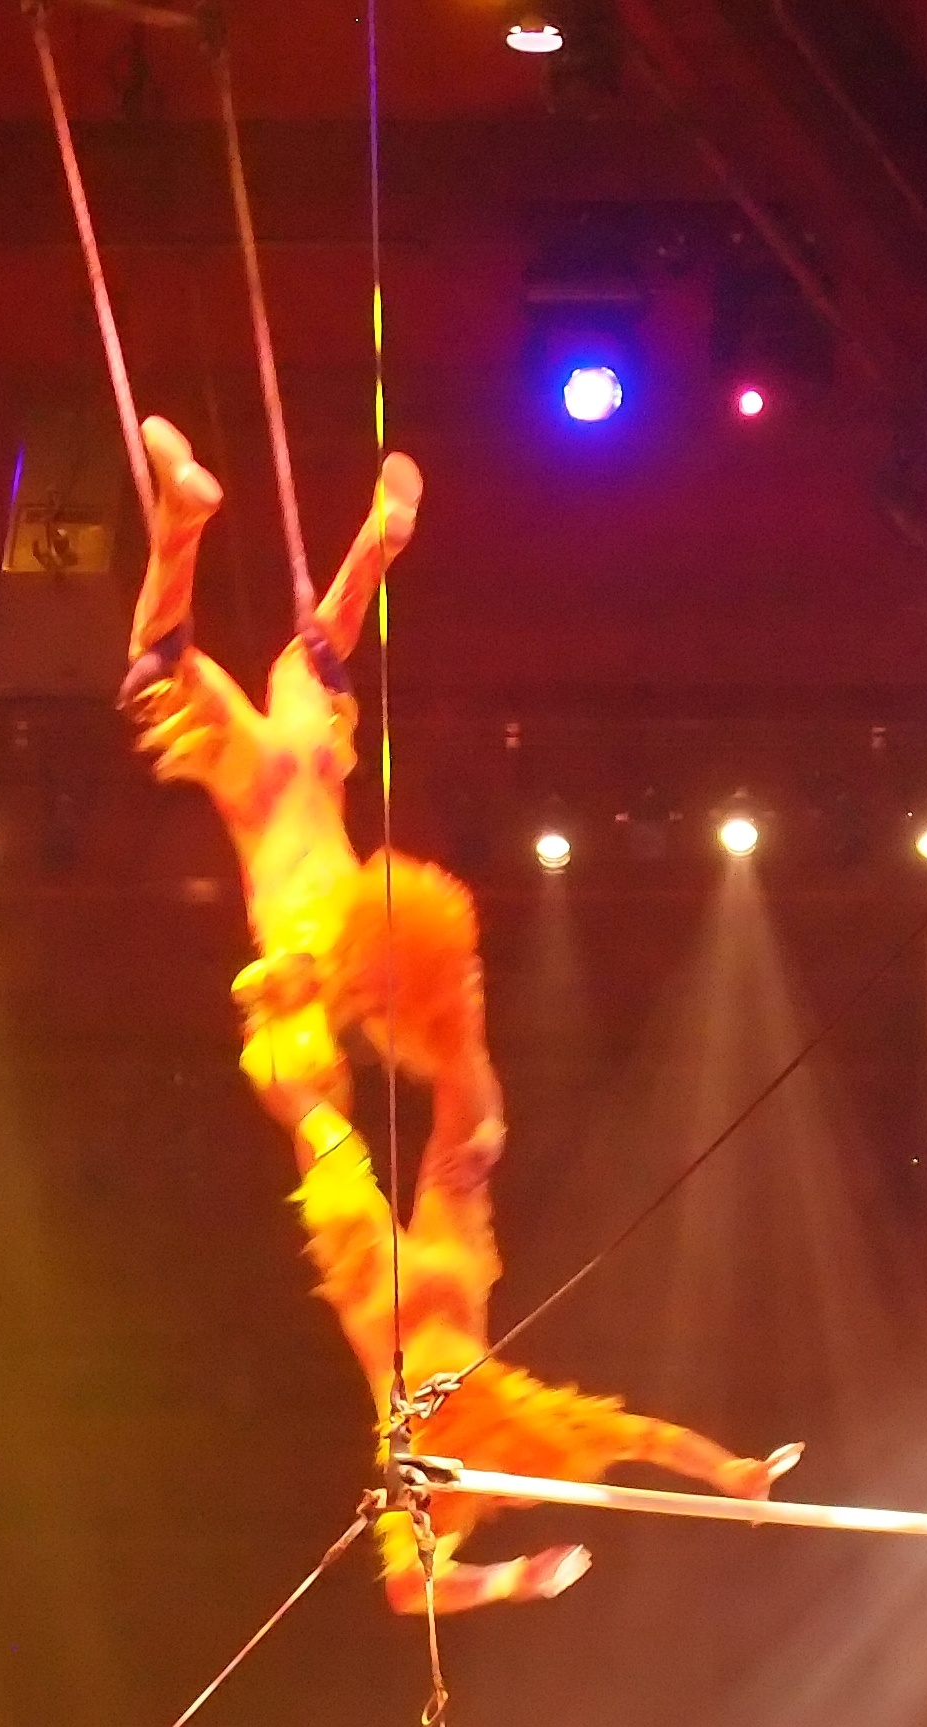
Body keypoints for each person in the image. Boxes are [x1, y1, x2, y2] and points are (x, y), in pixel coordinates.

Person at [119, 416, 792, 1611]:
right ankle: (220, 522)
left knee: (454, 1123)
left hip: (359, 998)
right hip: (321, 952)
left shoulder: (461, 1392)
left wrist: (549, 1563)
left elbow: (613, 1445)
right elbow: (421, 1579)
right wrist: (697, 1490)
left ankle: (358, 542)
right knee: (191, 673)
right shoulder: (427, 1416)